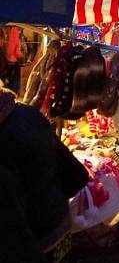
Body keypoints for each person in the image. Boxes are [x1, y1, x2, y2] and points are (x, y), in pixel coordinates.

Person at [0, 87, 88, 262]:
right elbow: (77, 175)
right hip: (59, 222)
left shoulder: (4, 139)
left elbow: (11, 226)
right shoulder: (29, 114)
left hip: (36, 238)